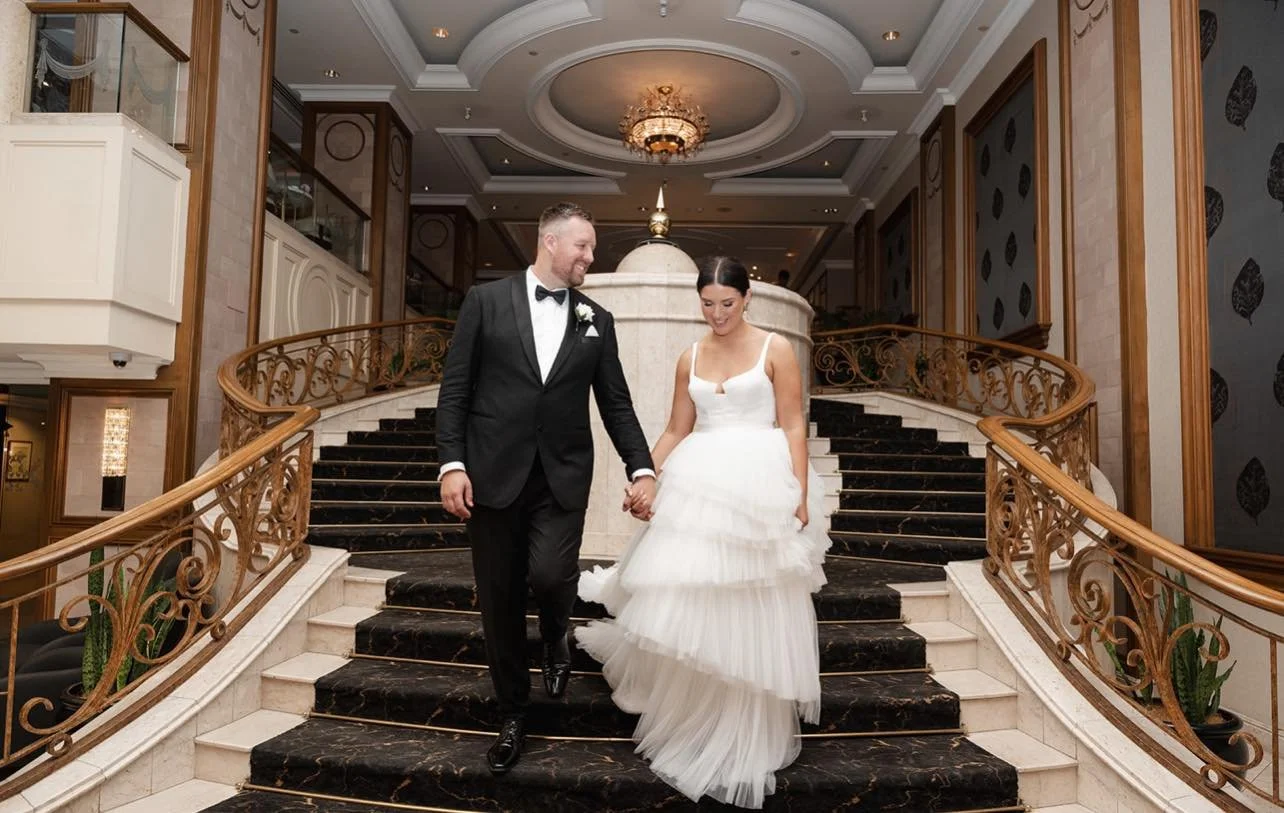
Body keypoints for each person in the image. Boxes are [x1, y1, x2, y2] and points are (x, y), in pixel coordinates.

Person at [577, 255, 829, 809]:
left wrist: (801, 496)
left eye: (728, 303)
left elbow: (791, 424)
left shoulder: (776, 350)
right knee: (691, 604)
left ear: (746, 299)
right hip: (697, 480)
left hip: (759, 484)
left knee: (751, 604)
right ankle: (693, 712)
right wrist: (645, 476)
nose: (717, 314)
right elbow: (674, 428)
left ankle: (746, 725)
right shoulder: (689, 355)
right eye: (708, 304)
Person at [435, 202, 656, 775]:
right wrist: (452, 464)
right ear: (550, 242)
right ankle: (512, 713)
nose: (590, 256)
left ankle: (556, 634)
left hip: (561, 475)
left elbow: (616, 403)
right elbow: (455, 391)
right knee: (500, 598)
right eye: (582, 245)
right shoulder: (485, 303)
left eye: (591, 247)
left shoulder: (596, 320)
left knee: (552, 574)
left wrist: (642, 468)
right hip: (491, 477)